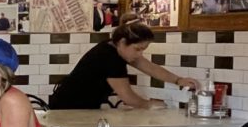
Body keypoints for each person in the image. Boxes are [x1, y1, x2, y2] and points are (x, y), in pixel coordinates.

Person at [49, 14, 197, 109]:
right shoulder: (110, 58)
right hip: (68, 108)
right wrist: (149, 104)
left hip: (79, 107)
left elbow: (151, 68)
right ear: (123, 42)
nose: (140, 53)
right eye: (138, 49)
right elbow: (127, 96)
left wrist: (179, 80)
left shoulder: (115, 48)